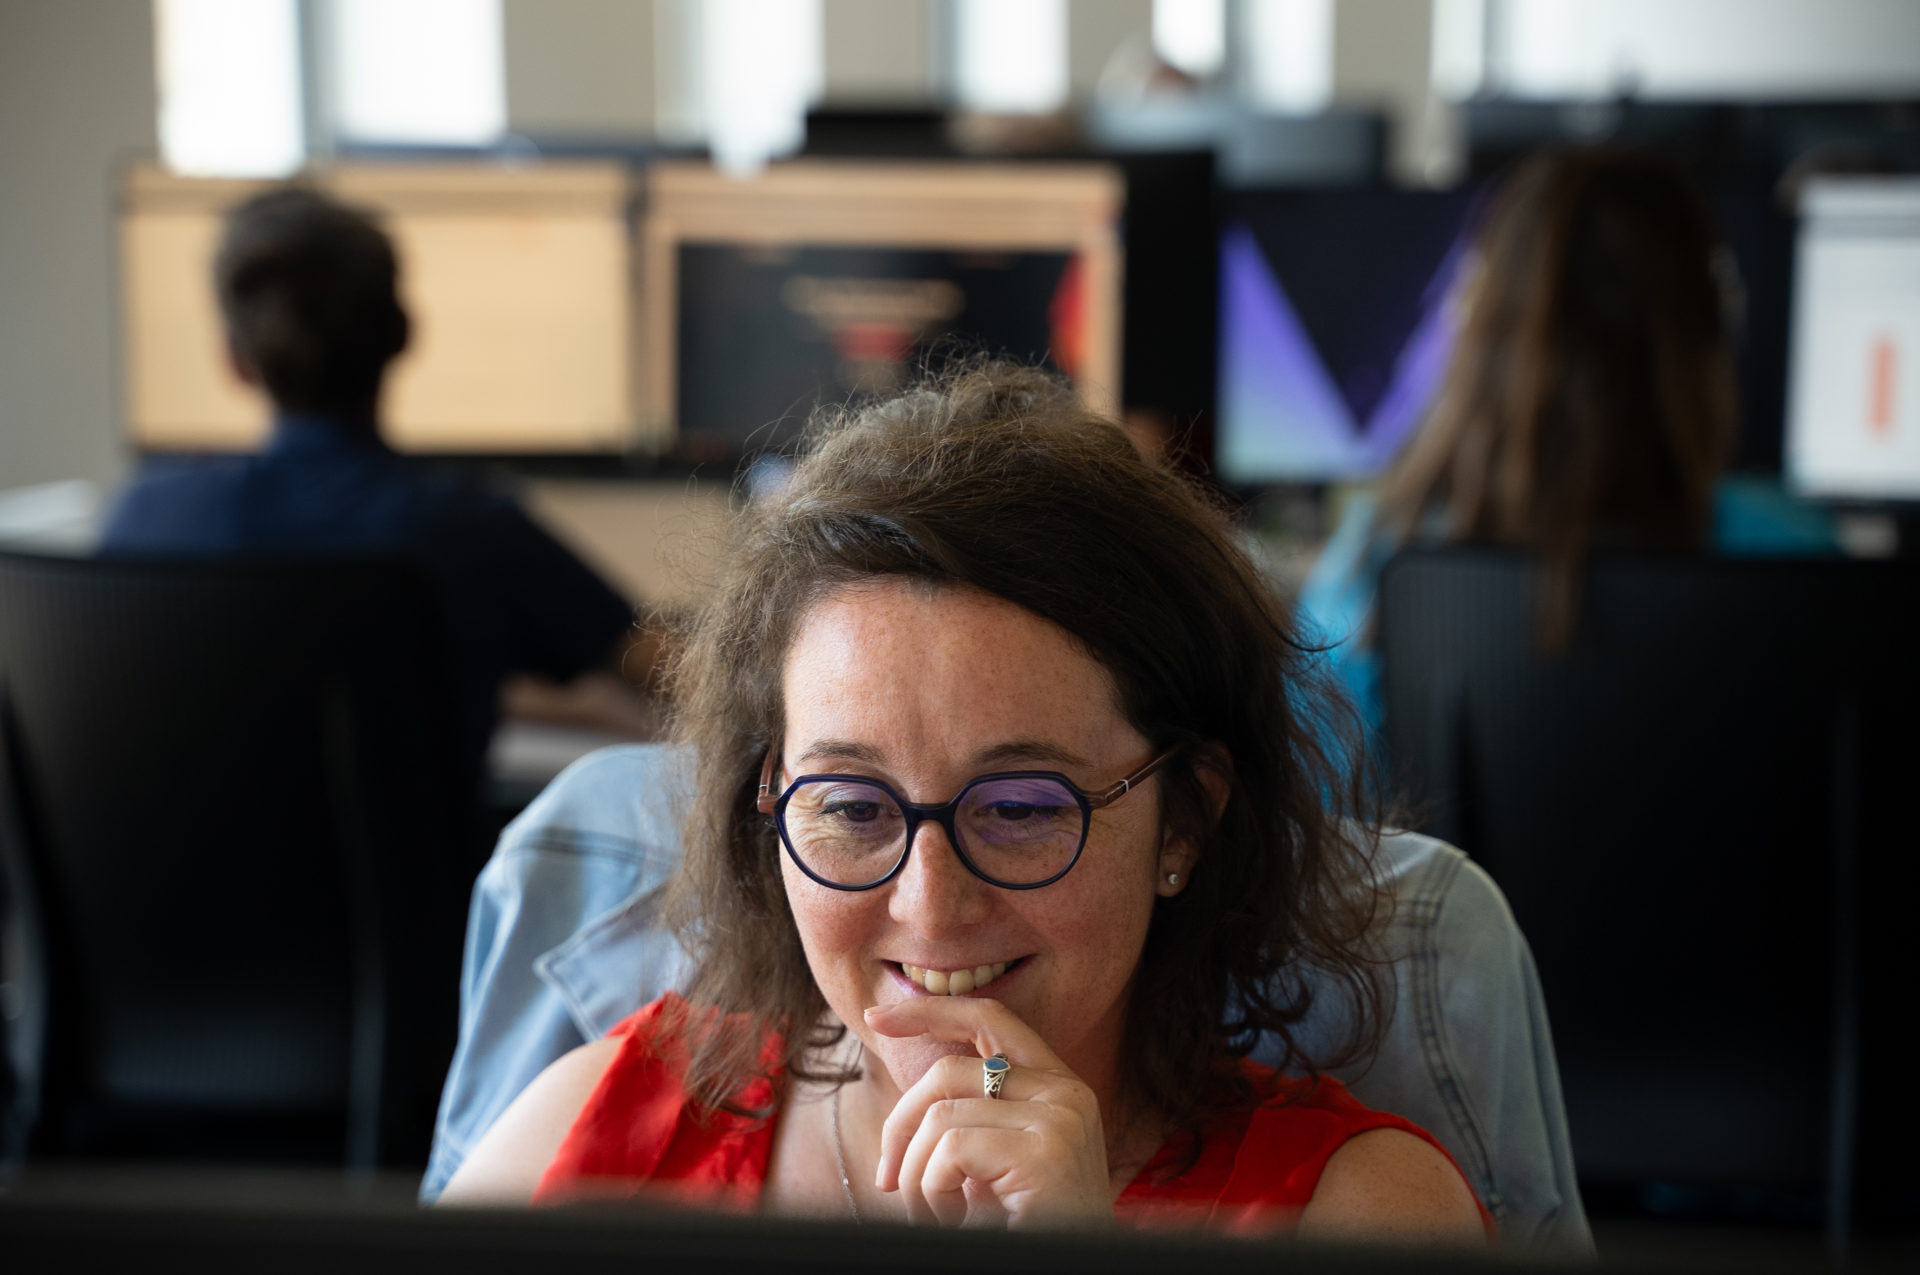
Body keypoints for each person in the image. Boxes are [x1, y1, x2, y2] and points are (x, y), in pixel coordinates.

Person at [437, 363, 1491, 1242]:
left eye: (1023, 807)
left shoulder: (1363, 1217)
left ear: (1185, 820)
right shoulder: (601, 1128)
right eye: (852, 808)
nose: (930, 907)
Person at [98, 187, 651, 788]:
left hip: (172, 883)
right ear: (405, 334)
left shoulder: (148, 517)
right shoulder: (472, 531)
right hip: (417, 885)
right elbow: (678, 677)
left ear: (234, 359)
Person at [1298, 146, 1838, 736]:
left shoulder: (1373, 566)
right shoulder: (1802, 557)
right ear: (1705, 339)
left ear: (1478, 330)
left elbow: (1318, 811)